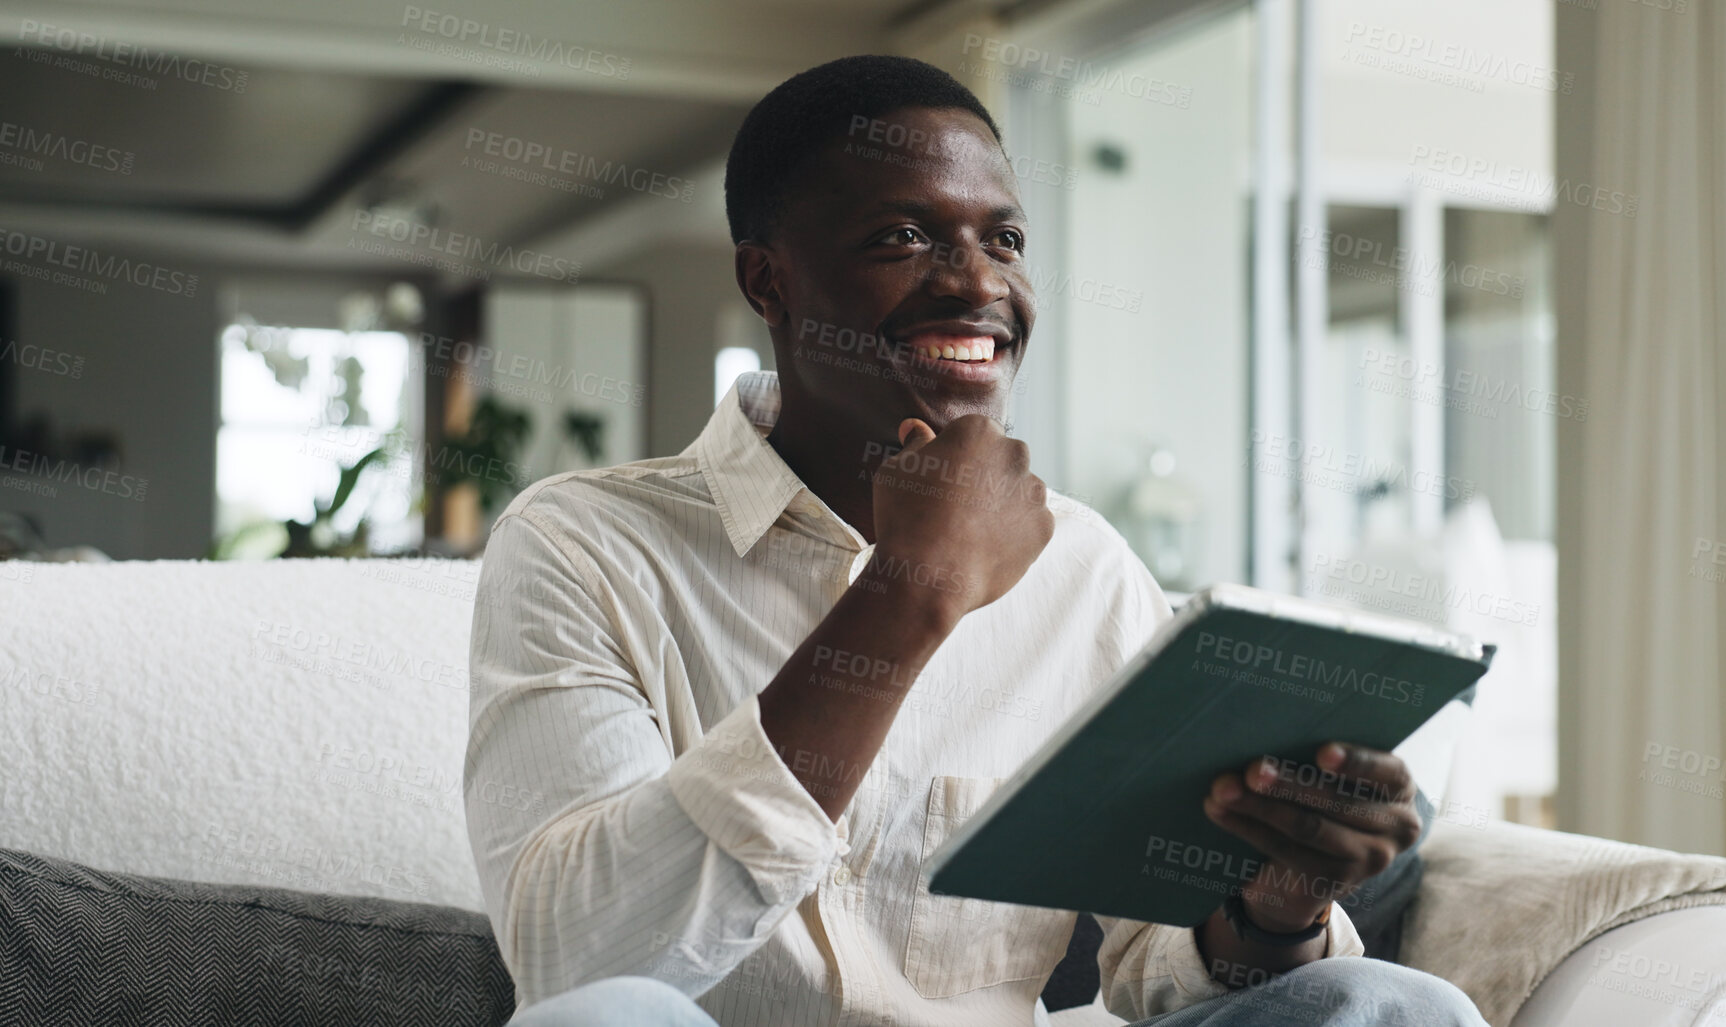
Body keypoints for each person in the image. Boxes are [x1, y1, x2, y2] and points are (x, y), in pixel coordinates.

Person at [465, 54, 1487, 1027]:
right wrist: (911, 593)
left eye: (1003, 240)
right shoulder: (581, 544)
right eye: (902, 237)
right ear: (770, 282)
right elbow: (579, 963)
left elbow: (1159, 973)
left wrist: (1276, 908)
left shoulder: (1085, 569)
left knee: (1402, 1006)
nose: (977, 284)